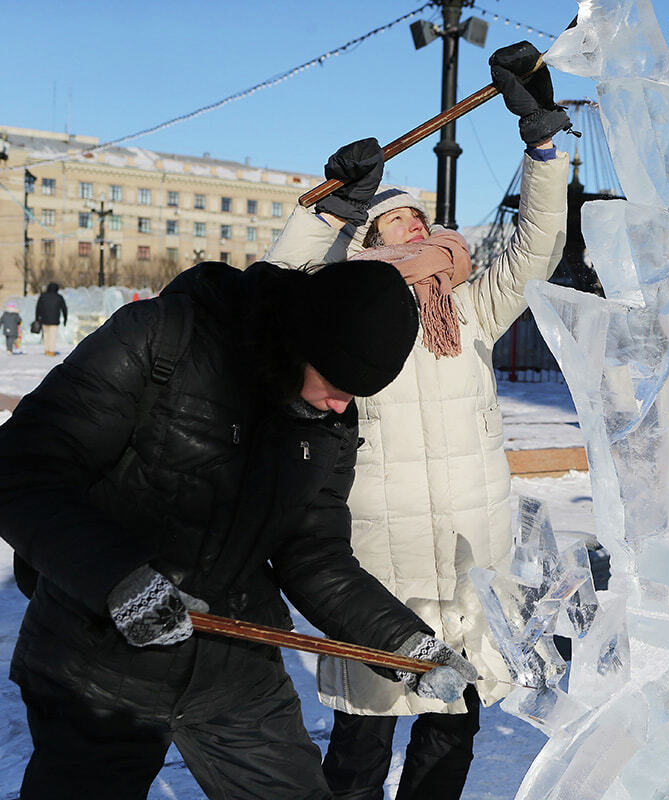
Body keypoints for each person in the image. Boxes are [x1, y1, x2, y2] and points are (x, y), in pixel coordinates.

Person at [0, 257, 480, 799]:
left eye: (358, 394)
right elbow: (22, 469)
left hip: (235, 675)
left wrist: (402, 642)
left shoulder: (328, 420)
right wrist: (119, 580)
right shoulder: (160, 339)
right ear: (300, 339)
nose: (343, 404)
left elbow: (315, 554)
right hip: (98, 664)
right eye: (337, 382)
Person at [265, 41, 570, 800]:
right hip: (378, 560)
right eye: (389, 221)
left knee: (453, 731)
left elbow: (537, 246)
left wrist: (541, 146)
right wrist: (329, 204)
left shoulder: (466, 306)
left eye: (415, 218)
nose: (410, 229)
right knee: (362, 743)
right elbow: (274, 291)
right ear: (363, 239)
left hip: (472, 561)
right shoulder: (337, 315)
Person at [34, 281, 67, 355]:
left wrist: (37, 318)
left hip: (44, 319)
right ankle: (51, 351)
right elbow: (64, 309)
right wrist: (65, 319)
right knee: (52, 335)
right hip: (55, 320)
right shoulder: (59, 297)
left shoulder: (42, 296)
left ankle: (47, 350)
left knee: (46, 335)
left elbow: (38, 308)